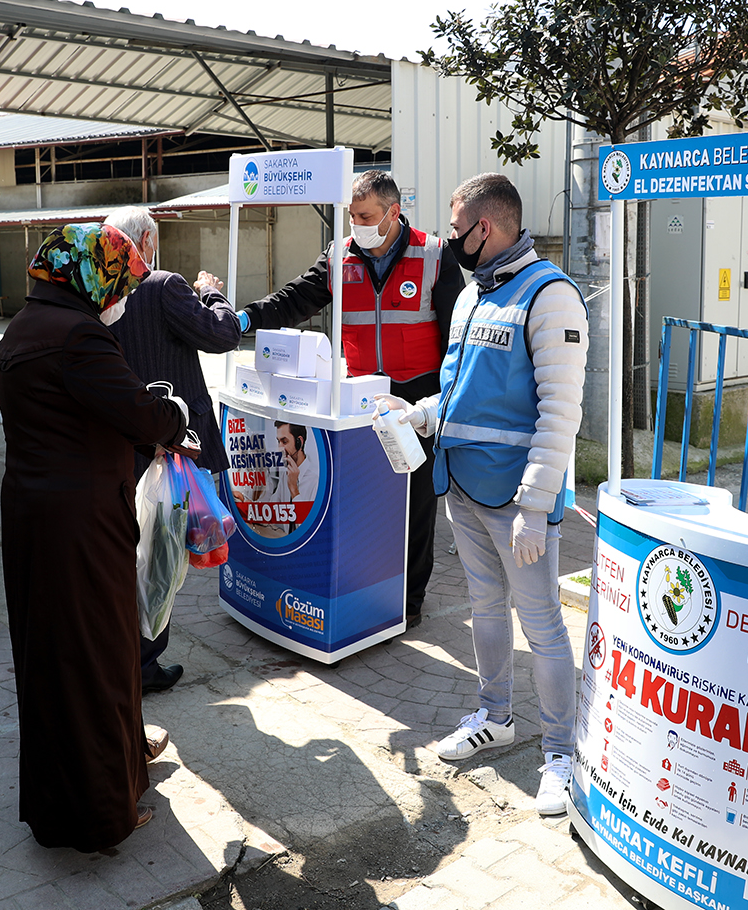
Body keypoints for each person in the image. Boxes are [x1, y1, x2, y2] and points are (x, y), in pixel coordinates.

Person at [383, 173, 588, 816]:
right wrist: (424, 412)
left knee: (544, 626)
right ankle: (494, 716)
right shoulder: (473, 297)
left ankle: (561, 752)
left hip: (516, 502)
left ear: (487, 228)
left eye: (455, 233)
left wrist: (534, 505)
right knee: (484, 608)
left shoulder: (550, 296)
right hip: (463, 487)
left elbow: (560, 412)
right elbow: (463, 389)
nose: (448, 245)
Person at [0, 223, 191, 852]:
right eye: (119, 282)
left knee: (58, 653)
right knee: (95, 655)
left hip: (36, 518)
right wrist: (175, 413)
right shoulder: (77, 335)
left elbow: (86, 410)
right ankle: (100, 809)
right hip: (78, 523)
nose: (121, 296)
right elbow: (139, 415)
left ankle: (125, 752)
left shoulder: (26, 325)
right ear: (89, 276)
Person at [238, 170, 463, 629]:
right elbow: (295, 299)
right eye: (351, 215)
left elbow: (456, 337)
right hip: (360, 396)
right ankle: (365, 586)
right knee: (365, 496)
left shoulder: (435, 254)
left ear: (393, 213)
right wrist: (244, 318)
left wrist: (444, 401)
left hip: (416, 393)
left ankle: (409, 599)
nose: (355, 224)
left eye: (365, 215)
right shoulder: (340, 257)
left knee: (416, 501)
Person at [103, 205, 241, 694]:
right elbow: (222, 334)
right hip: (174, 442)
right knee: (162, 553)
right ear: (148, 241)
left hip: (125, 442)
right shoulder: (163, 284)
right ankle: (143, 664)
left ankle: (127, 652)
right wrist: (211, 292)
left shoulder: (100, 292)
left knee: (133, 550)